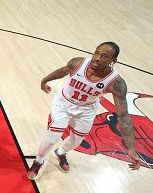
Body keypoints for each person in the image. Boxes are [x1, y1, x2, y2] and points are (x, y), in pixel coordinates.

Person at [27, 42, 144, 179]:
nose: (98, 58)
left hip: (86, 109)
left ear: (113, 60)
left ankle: (61, 152)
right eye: (97, 53)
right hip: (63, 103)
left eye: (105, 56)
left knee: (76, 141)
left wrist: (130, 148)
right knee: (53, 136)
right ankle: (38, 161)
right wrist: (45, 80)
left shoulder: (116, 83)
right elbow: (63, 71)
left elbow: (123, 116)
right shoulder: (78, 63)